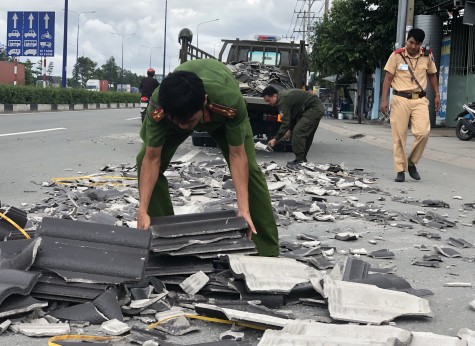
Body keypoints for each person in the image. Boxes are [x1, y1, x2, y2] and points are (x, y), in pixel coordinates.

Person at [136, 59, 279, 257]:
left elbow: (237, 155)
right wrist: (143, 209)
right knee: (143, 159)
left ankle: (264, 248)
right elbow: (151, 159)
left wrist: (243, 209)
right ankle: (162, 237)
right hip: (180, 111)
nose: (186, 128)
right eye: (180, 123)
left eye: (190, 122)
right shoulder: (159, 105)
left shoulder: (229, 101)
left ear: (203, 101)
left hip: (220, 118)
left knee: (250, 170)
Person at [380, 28, 440, 182]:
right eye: (411, 42)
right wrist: (384, 100)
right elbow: (388, 78)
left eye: (417, 44)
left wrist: (437, 95)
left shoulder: (427, 55)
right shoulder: (397, 55)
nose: (413, 46)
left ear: (421, 44)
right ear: (407, 40)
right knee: (399, 136)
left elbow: (432, 75)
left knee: (423, 133)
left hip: (419, 99)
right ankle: (400, 170)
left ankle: (412, 162)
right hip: (400, 98)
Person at [262, 86, 324, 165]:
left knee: (298, 132)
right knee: (306, 135)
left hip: (313, 109)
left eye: (269, 100)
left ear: (274, 95)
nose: (268, 103)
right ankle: (302, 160)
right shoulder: (283, 97)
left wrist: (275, 139)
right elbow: (292, 117)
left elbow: (285, 123)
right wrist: (289, 130)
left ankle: (299, 160)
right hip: (313, 108)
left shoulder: (282, 101)